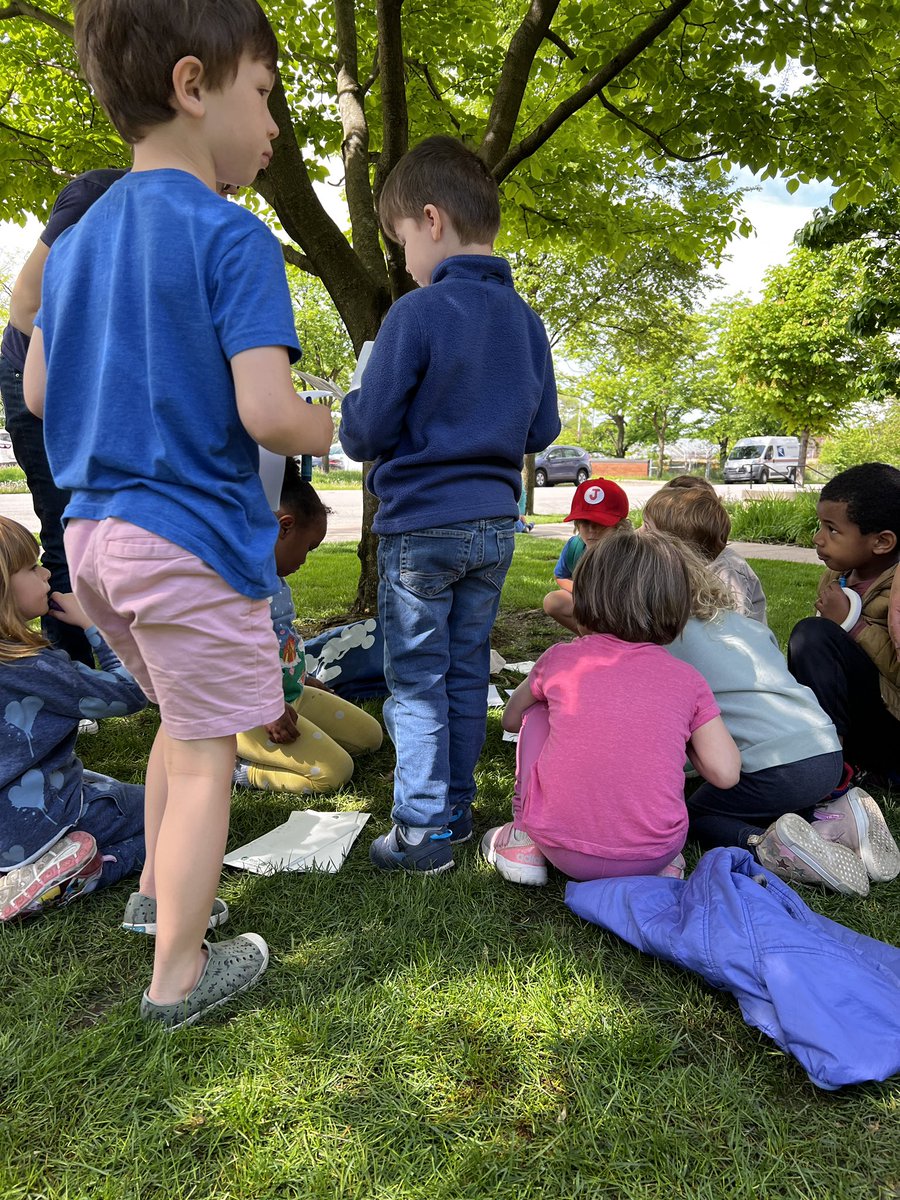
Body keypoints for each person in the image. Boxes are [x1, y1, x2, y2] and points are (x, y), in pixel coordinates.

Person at [24, 0, 333, 1028]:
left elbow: (33, 393)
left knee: (175, 726)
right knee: (208, 752)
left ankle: (159, 896)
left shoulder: (72, 245)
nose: (277, 126)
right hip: (188, 541)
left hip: (90, 541)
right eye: (266, 96)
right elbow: (268, 416)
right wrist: (327, 422)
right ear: (195, 87)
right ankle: (179, 976)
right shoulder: (233, 241)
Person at [339, 135, 560, 874]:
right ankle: (458, 812)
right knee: (467, 669)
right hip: (495, 526)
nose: (402, 259)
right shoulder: (527, 322)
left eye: (400, 239)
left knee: (416, 681)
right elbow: (543, 429)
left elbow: (366, 431)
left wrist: (353, 402)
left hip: (422, 528)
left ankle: (425, 831)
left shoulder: (416, 314)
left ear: (430, 221)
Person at [481, 530, 741, 885]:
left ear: (586, 596)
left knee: (538, 711)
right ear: (676, 606)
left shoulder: (561, 659)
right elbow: (726, 774)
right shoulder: (688, 680)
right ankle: (664, 866)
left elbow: (512, 720)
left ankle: (524, 839)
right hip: (655, 855)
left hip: (561, 848)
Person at [661, 541, 892, 897]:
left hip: (780, 769)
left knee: (695, 814)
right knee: (767, 794)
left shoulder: (665, 645)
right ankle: (831, 818)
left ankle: (768, 846)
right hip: (826, 750)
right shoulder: (742, 626)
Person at [0, 168, 127, 667]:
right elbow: (27, 303)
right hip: (39, 377)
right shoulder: (99, 194)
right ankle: (67, 678)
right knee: (66, 530)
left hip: (94, 388)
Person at [0, 518, 147, 921]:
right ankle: (81, 874)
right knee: (173, 816)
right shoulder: (29, 665)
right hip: (38, 822)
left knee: (106, 783)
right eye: (31, 567)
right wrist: (95, 623)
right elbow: (134, 690)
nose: (46, 572)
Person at [234, 461, 382, 793]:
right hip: (250, 712)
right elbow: (231, 656)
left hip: (291, 695)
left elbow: (281, 639)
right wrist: (268, 706)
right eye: (309, 548)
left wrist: (301, 676)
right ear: (284, 527)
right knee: (335, 772)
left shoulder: (276, 580)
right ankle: (239, 768)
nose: (305, 559)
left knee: (371, 737)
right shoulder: (237, 585)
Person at [788, 462, 900, 787]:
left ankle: (830, 765)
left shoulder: (896, 592)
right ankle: (824, 752)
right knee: (810, 639)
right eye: (819, 525)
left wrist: (852, 624)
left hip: (891, 726)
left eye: (832, 530)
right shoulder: (838, 577)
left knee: (812, 634)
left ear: (882, 542)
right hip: (858, 719)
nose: (817, 538)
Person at [645, 477, 767, 622]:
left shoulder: (728, 572)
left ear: (678, 542)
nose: (638, 532)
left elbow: (730, 632)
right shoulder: (676, 568)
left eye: (646, 527)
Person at [543, 478, 630, 634]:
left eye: (601, 523)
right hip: (589, 603)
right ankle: (591, 641)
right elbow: (560, 576)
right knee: (552, 601)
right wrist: (582, 592)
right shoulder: (574, 547)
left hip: (623, 610)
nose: (592, 529)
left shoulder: (628, 551)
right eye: (584, 522)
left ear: (619, 525)